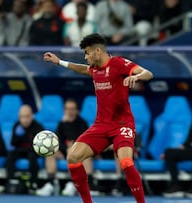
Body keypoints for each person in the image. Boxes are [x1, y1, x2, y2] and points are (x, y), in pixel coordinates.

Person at [43, 33, 153, 203]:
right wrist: (60, 62)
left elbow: (148, 73)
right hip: (101, 125)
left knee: (125, 162)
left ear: (98, 51)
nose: (86, 57)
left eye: (87, 53)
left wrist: (136, 77)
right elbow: (82, 69)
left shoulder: (118, 63)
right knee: (72, 158)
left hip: (122, 124)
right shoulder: (94, 69)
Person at [36, 98, 98, 196]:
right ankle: (51, 183)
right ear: (64, 110)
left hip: (79, 152)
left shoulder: (82, 123)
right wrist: (63, 148)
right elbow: (57, 140)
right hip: (65, 151)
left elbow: (86, 140)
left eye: (72, 109)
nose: (70, 112)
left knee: (81, 153)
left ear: (77, 110)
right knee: (50, 152)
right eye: (68, 109)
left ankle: (80, 183)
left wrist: (74, 146)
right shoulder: (62, 124)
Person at [6, 104, 44, 192]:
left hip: (33, 151)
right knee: (10, 155)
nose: (25, 120)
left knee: (32, 157)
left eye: (27, 117)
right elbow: (13, 143)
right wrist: (17, 135)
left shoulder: (38, 126)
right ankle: (11, 180)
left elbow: (39, 146)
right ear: (19, 117)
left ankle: (34, 182)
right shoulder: (17, 126)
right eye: (22, 117)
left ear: (32, 116)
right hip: (20, 150)